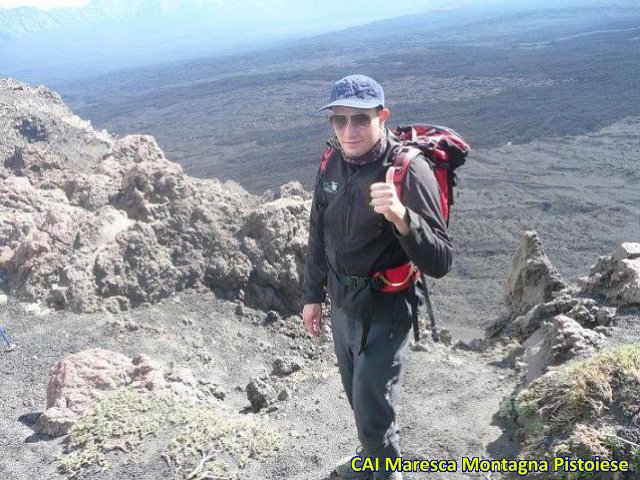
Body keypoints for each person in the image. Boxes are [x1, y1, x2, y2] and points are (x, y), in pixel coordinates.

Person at [301, 74, 453, 480]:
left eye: (360, 119)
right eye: (339, 120)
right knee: (360, 398)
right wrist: (312, 294)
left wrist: (403, 218)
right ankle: (375, 456)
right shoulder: (330, 160)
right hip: (342, 305)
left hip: (386, 311)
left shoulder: (406, 169)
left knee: (372, 404)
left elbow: (440, 260)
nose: (348, 130)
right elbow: (319, 229)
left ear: (382, 116)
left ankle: (387, 472)